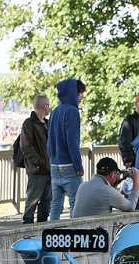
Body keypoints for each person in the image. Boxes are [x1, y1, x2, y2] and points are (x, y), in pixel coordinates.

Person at [47, 78, 86, 220]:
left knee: (56, 205)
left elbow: (49, 141)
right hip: (69, 166)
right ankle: (73, 237)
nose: (83, 96)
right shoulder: (72, 112)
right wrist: (78, 166)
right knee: (76, 203)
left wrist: (52, 158)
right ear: (74, 92)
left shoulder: (55, 112)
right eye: (81, 92)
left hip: (55, 165)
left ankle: (52, 235)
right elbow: (72, 142)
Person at [19, 95, 52, 224]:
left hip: (48, 168)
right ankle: (27, 225)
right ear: (43, 106)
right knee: (33, 198)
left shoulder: (47, 123)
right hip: (37, 168)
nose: (49, 107)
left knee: (47, 200)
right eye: (48, 105)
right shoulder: (29, 123)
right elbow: (26, 147)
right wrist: (40, 162)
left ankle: (42, 226)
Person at [72, 157, 139, 217]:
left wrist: (114, 185)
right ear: (113, 174)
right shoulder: (107, 191)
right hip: (95, 231)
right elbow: (131, 207)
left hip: (77, 230)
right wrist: (136, 182)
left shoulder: (83, 186)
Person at [118, 94, 139, 168]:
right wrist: (128, 160)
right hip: (134, 164)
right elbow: (124, 142)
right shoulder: (129, 121)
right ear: (136, 105)